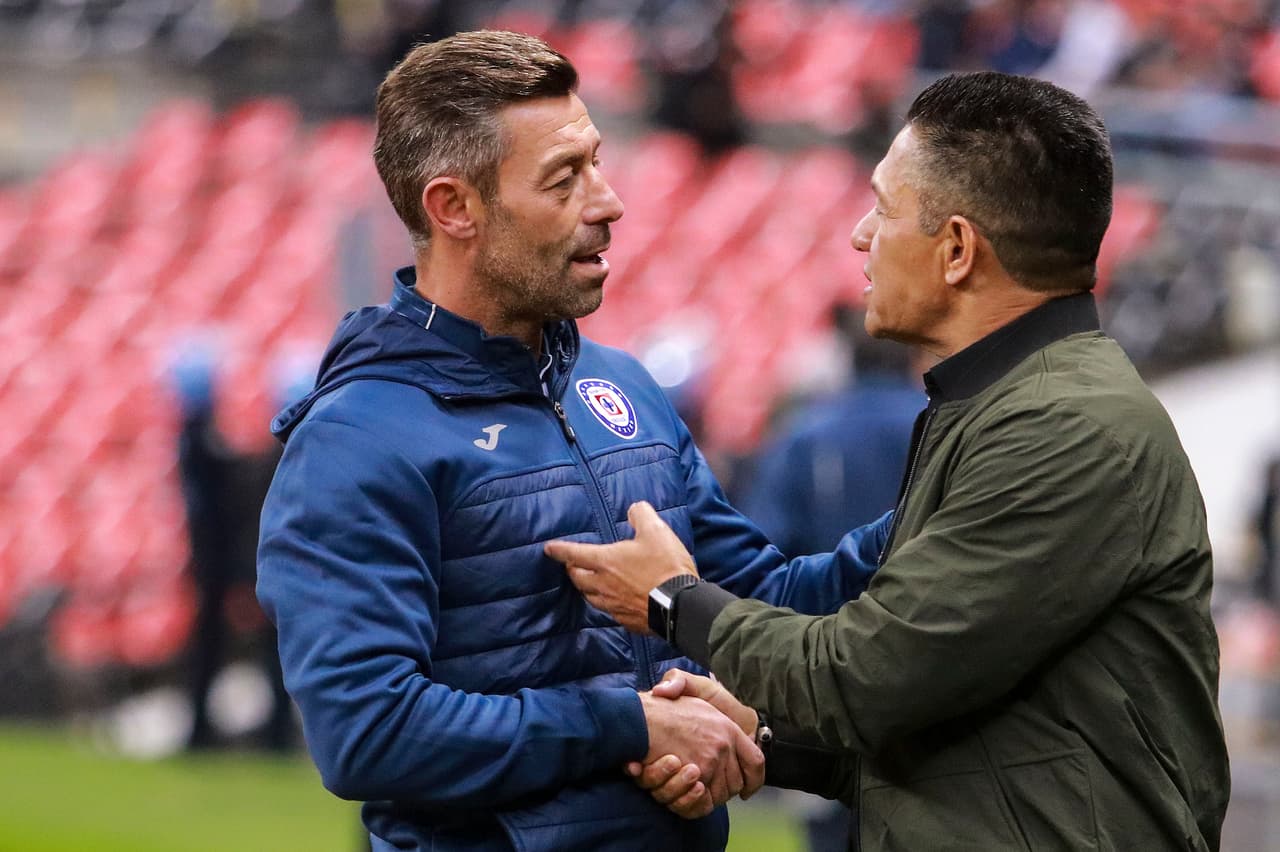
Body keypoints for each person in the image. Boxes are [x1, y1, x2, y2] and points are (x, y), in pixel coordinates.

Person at [546, 71, 1231, 851]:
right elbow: (962, 734)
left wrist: (674, 600)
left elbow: (866, 678)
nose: (860, 235)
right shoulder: (1008, 405)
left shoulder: (1063, 428)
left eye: (884, 208)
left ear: (957, 250)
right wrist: (759, 736)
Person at [256, 30, 889, 852]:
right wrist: (630, 727)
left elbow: (765, 600)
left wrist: (950, 497)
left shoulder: (622, 385)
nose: (608, 202)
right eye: (564, 179)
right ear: (454, 208)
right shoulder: (357, 439)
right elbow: (367, 732)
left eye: (596, 163)